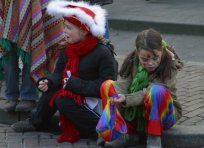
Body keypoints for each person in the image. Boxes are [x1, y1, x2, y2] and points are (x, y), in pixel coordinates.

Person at [11, 0, 117, 144]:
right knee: (52, 89)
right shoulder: (68, 48)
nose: (64, 31)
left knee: (63, 100)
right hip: (74, 91)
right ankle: (37, 122)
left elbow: (107, 87)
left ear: (84, 30)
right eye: (64, 27)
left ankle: (98, 130)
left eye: (68, 28)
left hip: (94, 102)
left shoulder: (103, 53)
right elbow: (58, 74)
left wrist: (75, 84)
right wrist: (48, 81)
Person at [98, 29, 183, 148]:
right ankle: (122, 133)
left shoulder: (169, 63)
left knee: (156, 91)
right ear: (138, 53)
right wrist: (117, 96)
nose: (151, 63)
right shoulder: (132, 60)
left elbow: (148, 91)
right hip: (135, 109)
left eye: (155, 58)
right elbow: (122, 84)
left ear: (161, 51)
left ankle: (154, 137)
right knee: (107, 86)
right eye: (145, 59)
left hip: (164, 114)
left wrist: (126, 99)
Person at [0, 0, 64, 112]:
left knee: (33, 48)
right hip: (8, 8)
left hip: (34, 8)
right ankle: (11, 96)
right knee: (9, 54)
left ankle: (28, 96)